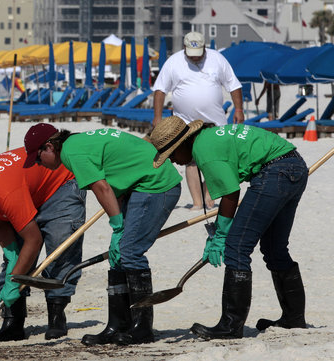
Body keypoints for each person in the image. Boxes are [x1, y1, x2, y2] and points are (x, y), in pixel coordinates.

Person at [150, 116, 308, 340]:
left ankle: (231, 325)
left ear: (183, 143)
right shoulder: (207, 138)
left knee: (236, 247)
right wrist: (218, 231)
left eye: (172, 154)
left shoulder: (204, 151)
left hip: (275, 172)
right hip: (294, 165)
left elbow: (231, 193)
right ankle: (294, 318)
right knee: (274, 248)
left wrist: (222, 235)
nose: (174, 161)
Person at [23, 123, 182, 345]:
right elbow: (114, 181)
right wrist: (118, 227)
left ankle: (142, 328)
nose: (40, 164)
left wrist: (118, 227)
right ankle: (118, 325)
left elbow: (102, 188)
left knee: (130, 252)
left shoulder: (71, 152)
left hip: (156, 185)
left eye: (38, 159)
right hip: (138, 185)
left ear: (49, 146)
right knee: (117, 255)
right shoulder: (76, 143)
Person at [0, 145, 87, 342]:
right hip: (28, 189)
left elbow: (34, 240)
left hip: (60, 183)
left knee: (60, 247)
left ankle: (56, 318)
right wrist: (12, 256)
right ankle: (13, 323)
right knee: (17, 257)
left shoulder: (4, 191)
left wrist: (13, 281)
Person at [152, 31, 243, 211]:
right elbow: (160, 90)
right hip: (184, 121)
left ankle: (208, 195)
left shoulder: (217, 59)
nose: (195, 58)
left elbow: (234, 85)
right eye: (191, 54)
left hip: (215, 120)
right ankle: (197, 201)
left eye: (199, 54)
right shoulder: (173, 62)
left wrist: (239, 109)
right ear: (184, 48)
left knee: (214, 159)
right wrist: (157, 116)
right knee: (191, 160)